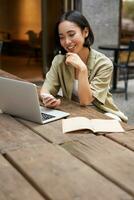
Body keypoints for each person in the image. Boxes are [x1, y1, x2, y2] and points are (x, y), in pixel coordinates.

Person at [40, 10, 128, 122]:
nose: (67, 42)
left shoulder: (104, 64)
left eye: (71, 34)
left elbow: (85, 100)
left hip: (103, 114)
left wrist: (82, 69)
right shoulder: (59, 61)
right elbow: (46, 88)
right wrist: (47, 98)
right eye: (61, 37)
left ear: (85, 32)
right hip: (75, 112)